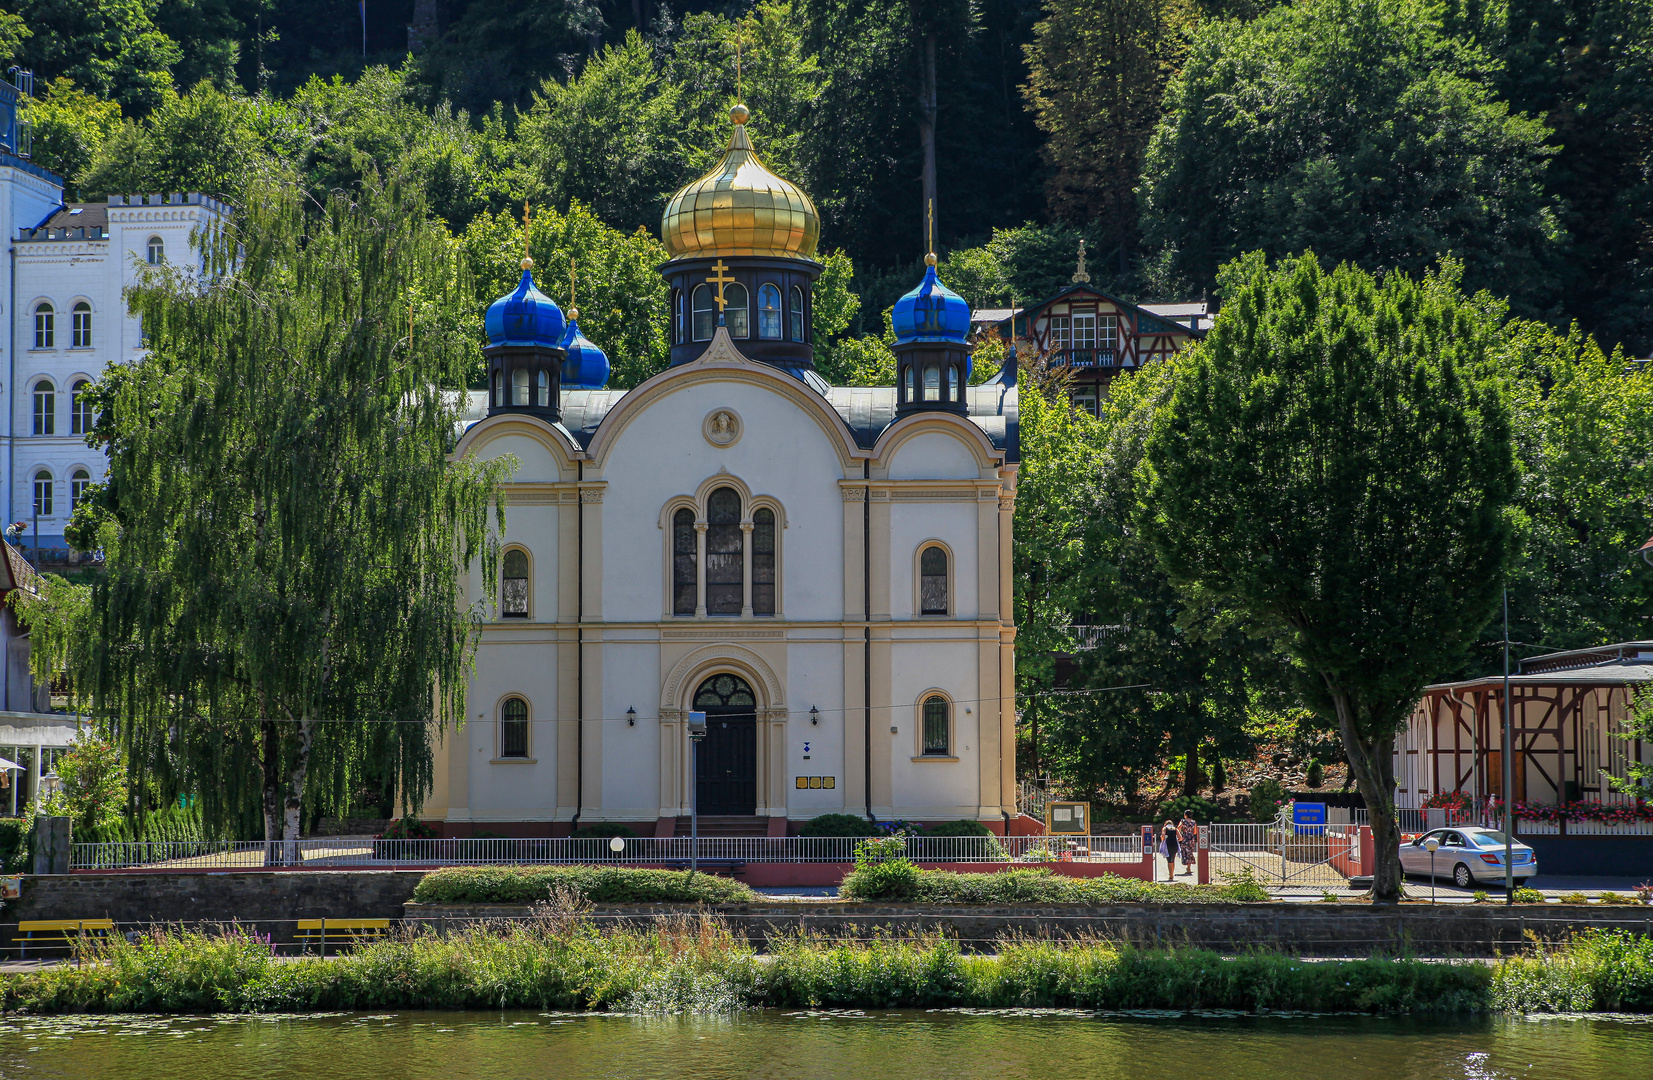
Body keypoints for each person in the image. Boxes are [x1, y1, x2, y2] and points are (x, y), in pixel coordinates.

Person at [1177, 811, 1199, 876]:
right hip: (1191, 838)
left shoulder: (1183, 821)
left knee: (1185, 852)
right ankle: (1189, 867)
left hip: (1185, 838)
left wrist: (1181, 832)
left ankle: (1188, 867)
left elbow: (1178, 828)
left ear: (1185, 815)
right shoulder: (1193, 822)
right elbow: (1195, 832)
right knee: (1190, 852)